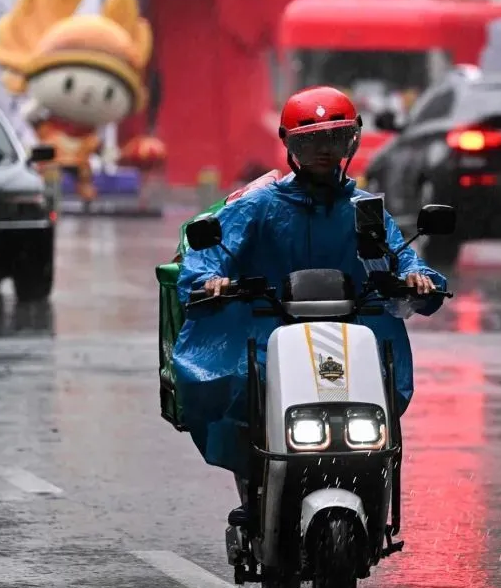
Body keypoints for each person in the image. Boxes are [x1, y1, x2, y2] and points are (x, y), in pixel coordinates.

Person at [172, 86, 448, 524]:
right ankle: (255, 486)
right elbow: (208, 258)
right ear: (290, 146)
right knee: (244, 392)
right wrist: (212, 281)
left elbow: (403, 260)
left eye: (333, 139)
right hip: (268, 334)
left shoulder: (366, 212)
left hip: (352, 335)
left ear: (351, 143)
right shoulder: (260, 205)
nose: (323, 150)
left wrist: (419, 281)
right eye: (310, 140)